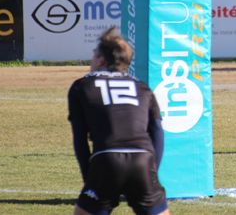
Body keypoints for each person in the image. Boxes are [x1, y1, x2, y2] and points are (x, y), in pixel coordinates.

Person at [67, 27, 170, 215]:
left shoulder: (81, 86)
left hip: (106, 159)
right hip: (143, 159)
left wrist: (88, 178)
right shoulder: (142, 87)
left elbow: (79, 138)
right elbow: (157, 131)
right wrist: (152, 169)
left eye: (94, 53)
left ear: (102, 60)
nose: (92, 58)